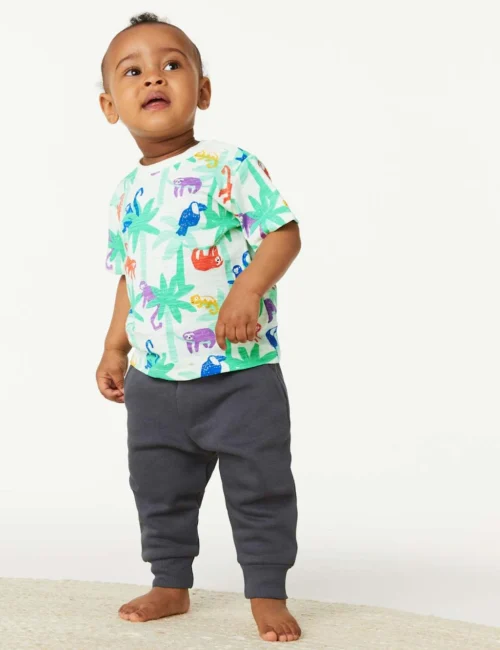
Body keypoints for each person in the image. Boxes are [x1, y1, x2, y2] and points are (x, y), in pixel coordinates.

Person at [96, 13, 302, 643]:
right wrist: (114, 344)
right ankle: (170, 582)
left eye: (171, 65)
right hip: (155, 380)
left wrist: (247, 291)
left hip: (239, 374)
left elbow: (283, 234)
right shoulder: (125, 193)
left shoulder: (228, 164)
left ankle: (266, 590)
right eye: (133, 71)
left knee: (260, 487)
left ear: (202, 91)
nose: (153, 77)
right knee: (157, 487)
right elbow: (130, 275)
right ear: (110, 106)